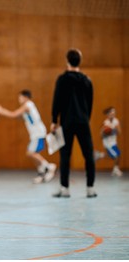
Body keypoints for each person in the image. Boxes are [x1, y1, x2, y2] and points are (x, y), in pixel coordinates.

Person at [50, 49, 96, 198]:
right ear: (80, 60)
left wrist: (53, 120)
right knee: (88, 155)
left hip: (67, 122)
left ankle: (65, 189)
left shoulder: (62, 79)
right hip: (83, 121)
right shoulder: (87, 80)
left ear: (67, 60)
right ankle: (90, 188)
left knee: (65, 155)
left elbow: (57, 101)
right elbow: (90, 103)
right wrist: (85, 117)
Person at [0, 90, 56, 184]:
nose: (19, 99)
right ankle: (41, 173)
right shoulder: (28, 107)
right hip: (35, 133)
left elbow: (13, 114)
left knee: (30, 153)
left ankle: (49, 167)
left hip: (38, 133)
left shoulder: (27, 105)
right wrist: (0, 113)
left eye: (20, 97)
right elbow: (17, 117)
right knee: (33, 154)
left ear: (25, 97)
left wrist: (0, 110)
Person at [97, 107, 123, 177]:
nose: (113, 113)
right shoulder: (106, 122)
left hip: (113, 142)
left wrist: (112, 130)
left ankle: (100, 155)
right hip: (107, 143)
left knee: (115, 156)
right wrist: (106, 132)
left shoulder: (116, 121)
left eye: (114, 112)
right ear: (108, 114)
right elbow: (101, 134)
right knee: (117, 155)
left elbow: (119, 132)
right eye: (111, 112)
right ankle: (115, 169)